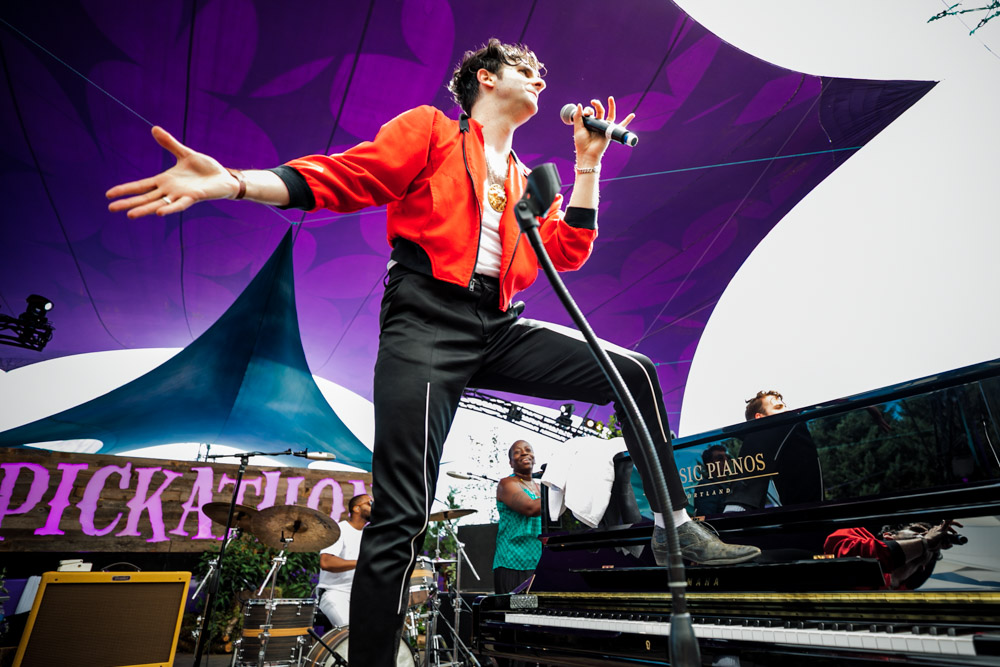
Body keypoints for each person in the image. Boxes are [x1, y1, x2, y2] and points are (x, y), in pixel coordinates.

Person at [106, 39, 759, 666]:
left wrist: (588, 164)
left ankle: (675, 522)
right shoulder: (432, 131)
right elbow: (350, 176)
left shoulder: (529, 178)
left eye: (542, 73)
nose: (540, 79)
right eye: (524, 68)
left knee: (635, 372)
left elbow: (568, 250)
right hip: (425, 324)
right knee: (403, 513)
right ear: (485, 78)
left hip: (497, 325)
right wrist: (237, 183)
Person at [725, 390, 823, 511]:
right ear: (760, 419)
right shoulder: (788, 424)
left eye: (786, 407)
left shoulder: (789, 455)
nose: (787, 411)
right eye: (778, 408)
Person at [824, 520, 963, 589]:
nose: (923, 536)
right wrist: (925, 542)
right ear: (889, 536)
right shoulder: (853, 533)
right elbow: (853, 555)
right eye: (917, 532)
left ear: (923, 567)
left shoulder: (915, 602)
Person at [494, 440, 542, 594]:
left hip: (536, 562)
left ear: (534, 457)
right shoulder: (507, 483)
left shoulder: (539, 488)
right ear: (511, 462)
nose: (524, 453)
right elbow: (530, 508)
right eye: (517, 452)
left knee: (536, 614)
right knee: (516, 614)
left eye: (528, 449)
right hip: (512, 563)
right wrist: (559, 490)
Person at [316, 493, 372, 627]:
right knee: (350, 632)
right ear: (356, 509)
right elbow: (326, 562)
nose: (374, 507)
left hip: (361, 595)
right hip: (335, 593)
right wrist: (361, 563)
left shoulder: (369, 535)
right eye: (370, 503)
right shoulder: (340, 530)